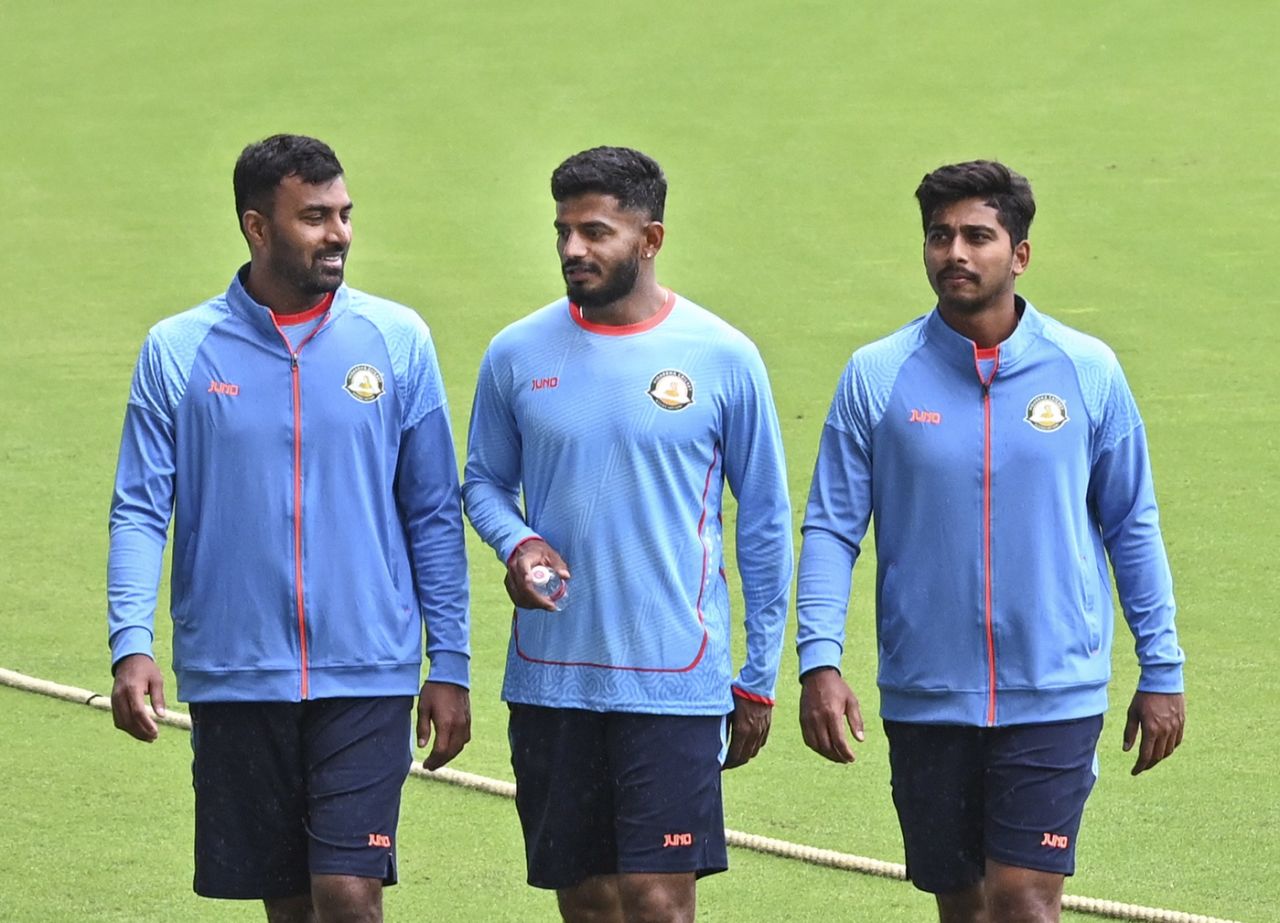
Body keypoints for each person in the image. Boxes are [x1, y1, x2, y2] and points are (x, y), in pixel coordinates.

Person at [795, 160, 1186, 923]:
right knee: (965, 905)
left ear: (1020, 253)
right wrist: (820, 659)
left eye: (978, 235)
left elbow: (1130, 523)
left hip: (1054, 689)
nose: (955, 253)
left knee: (1024, 899)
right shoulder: (876, 376)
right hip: (927, 693)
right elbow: (832, 527)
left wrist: (1161, 665)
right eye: (940, 236)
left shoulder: (1088, 372)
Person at [106, 134, 471, 923]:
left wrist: (452, 660)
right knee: (291, 905)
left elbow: (434, 510)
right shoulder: (178, 350)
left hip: (368, 670)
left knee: (347, 893)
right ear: (257, 227)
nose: (338, 232)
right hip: (237, 671)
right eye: (314, 216)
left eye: (343, 214)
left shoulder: (398, 340)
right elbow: (140, 506)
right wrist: (130, 642)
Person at [462, 146, 793, 923]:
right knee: (585, 902)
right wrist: (516, 541)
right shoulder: (516, 353)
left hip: (675, 682)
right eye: (564, 231)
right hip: (551, 681)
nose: (574, 249)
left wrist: (757, 673)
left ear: (650, 239)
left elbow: (768, 521)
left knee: (657, 903)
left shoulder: (723, 356)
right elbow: (481, 480)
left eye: (596, 232)